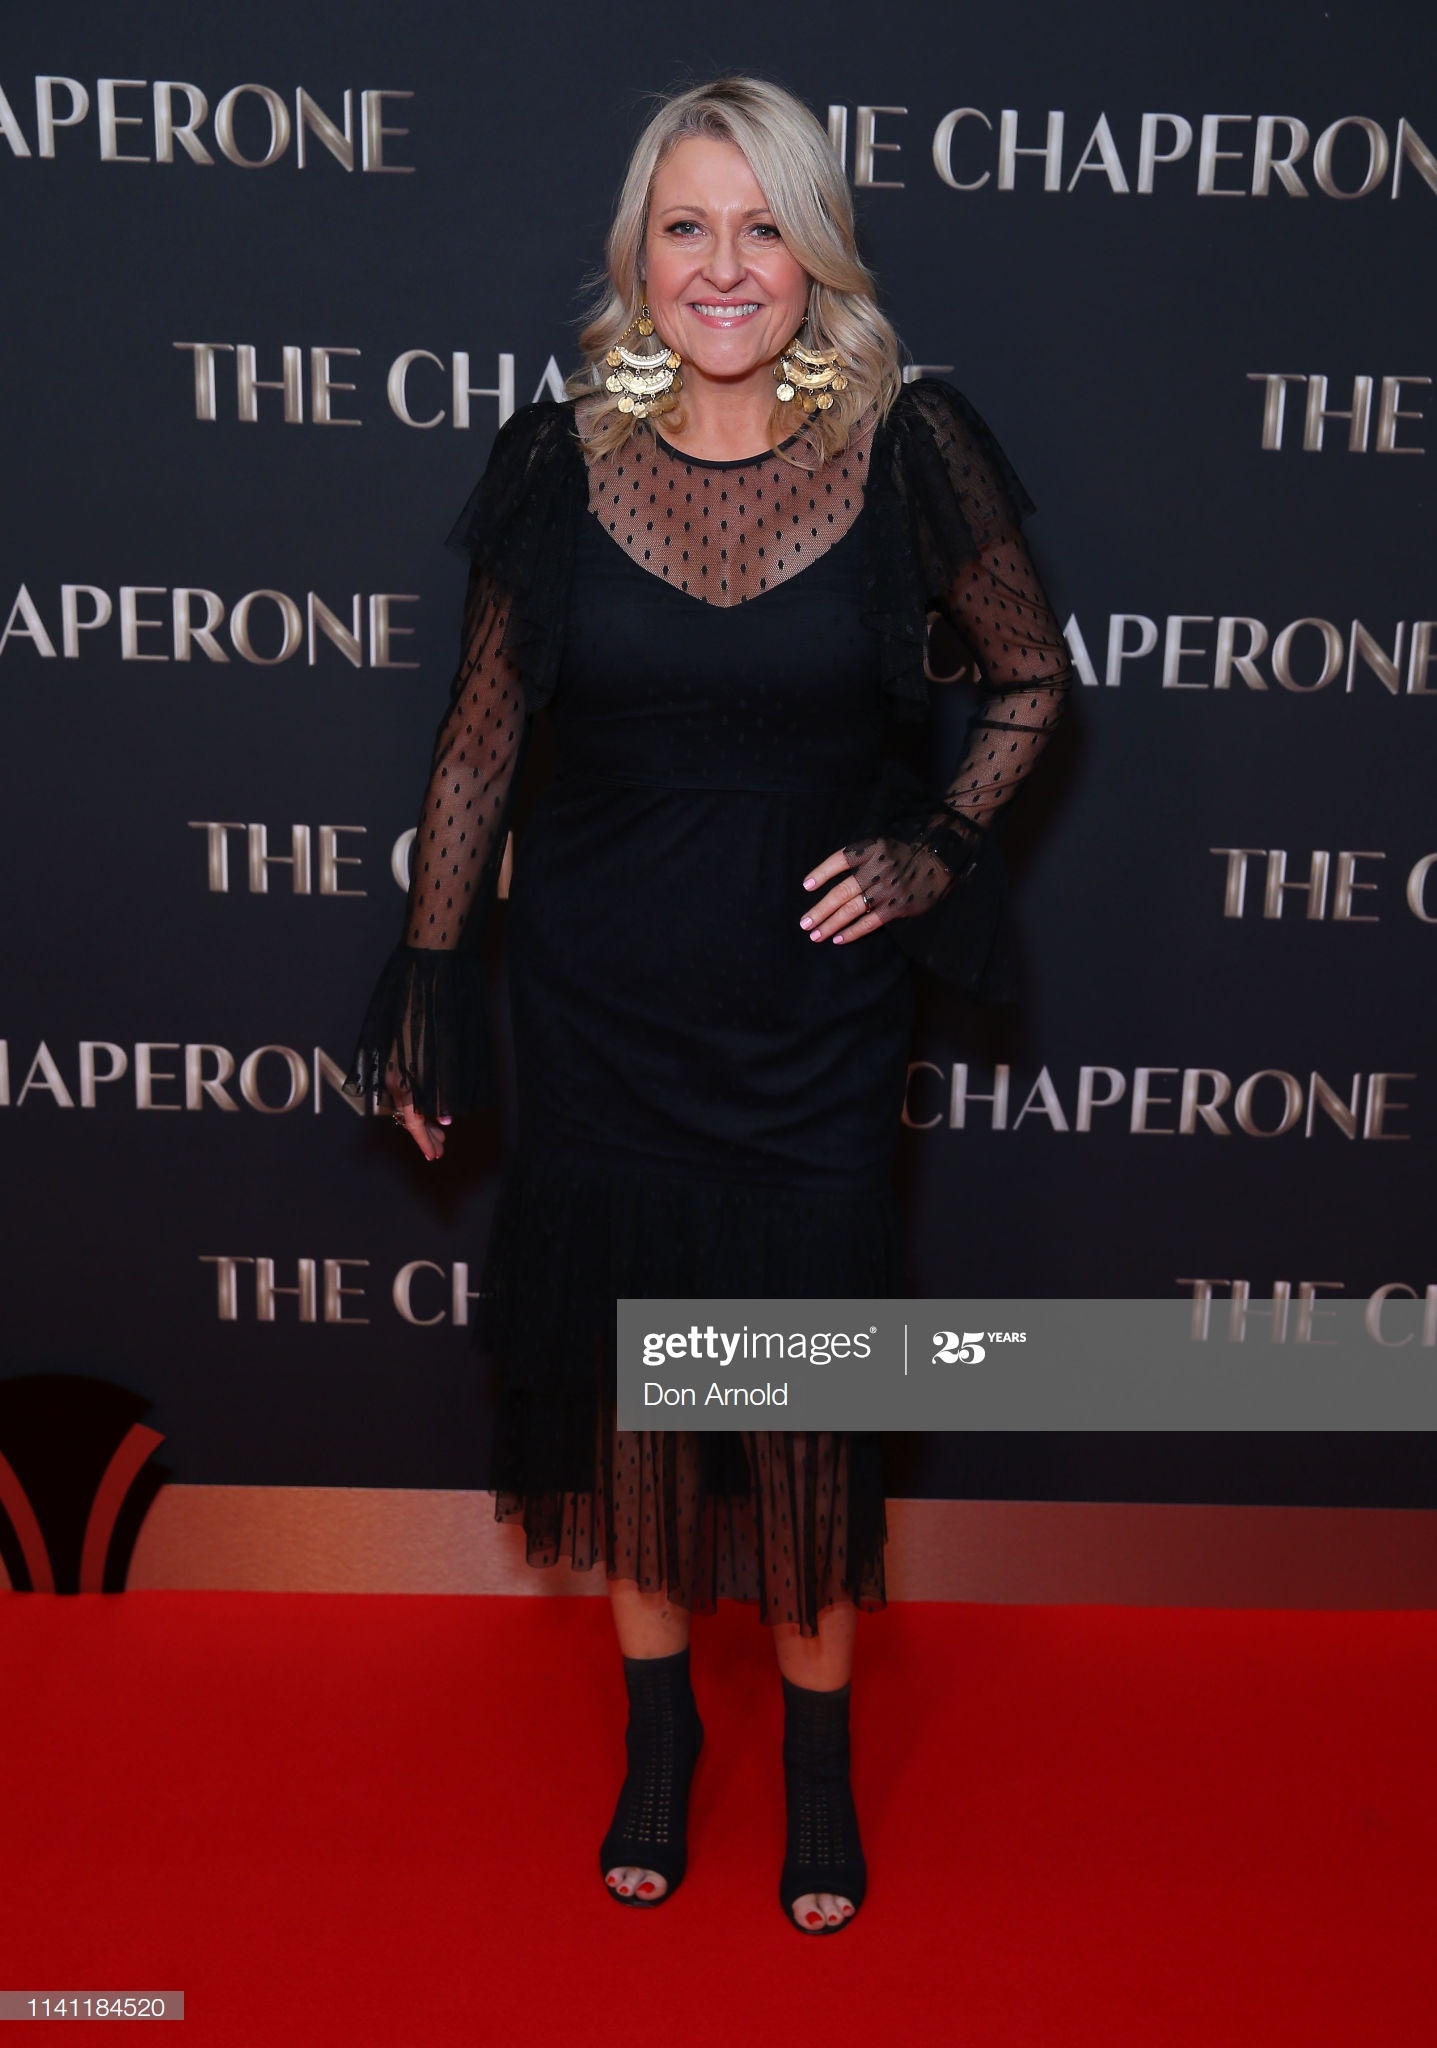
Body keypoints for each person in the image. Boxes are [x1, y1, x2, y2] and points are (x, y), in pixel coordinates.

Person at [349, 74, 1072, 1934]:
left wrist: (928, 851)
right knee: (633, 1408)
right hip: (602, 1014)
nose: (724, 266)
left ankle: (816, 1768)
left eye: (763, 227)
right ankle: (659, 1745)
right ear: (637, 255)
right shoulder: (556, 456)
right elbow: (478, 743)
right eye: (686, 227)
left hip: (811, 1033)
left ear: (817, 252)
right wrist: (431, 974)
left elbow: (1028, 683)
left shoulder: (910, 443)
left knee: (804, 1405)